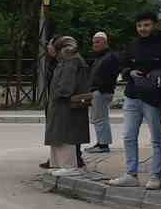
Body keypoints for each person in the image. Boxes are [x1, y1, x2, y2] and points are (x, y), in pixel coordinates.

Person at [108, 12, 161, 189]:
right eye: (139, 26)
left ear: (154, 25)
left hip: (154, 98)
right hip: (132, 95)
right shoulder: (132, 44)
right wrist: (129, 72)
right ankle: (131, 174)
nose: (142, 29)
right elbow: (123, 64)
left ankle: (156, 176)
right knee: (129, 136)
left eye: (146, 25)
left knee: (157, 139)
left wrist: (159, 75)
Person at [45, 36, 91, 174]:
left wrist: (57, 95)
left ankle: (68, 166)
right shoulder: (70, 60)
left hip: (65, 105)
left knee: (65, 135)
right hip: (65, 105)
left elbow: (66, 87)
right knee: (61, 135)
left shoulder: (70, 61)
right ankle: (60, 165)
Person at [84, 32, 120, 153]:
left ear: (105, 42)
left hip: (102, 91)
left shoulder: (109, 57)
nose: (95, 44)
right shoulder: (101, 57)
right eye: (94, 42)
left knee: (100, 118)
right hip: (99, 91)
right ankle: (101, 143)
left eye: (98, 42)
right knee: (99, 118)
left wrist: (100, 88)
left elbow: (110, 76)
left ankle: (103, 145)